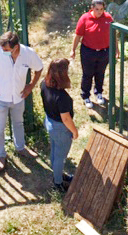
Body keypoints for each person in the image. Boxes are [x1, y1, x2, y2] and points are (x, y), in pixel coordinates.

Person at [0, 31, 43, 172]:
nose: (4, 52)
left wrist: (30, 86)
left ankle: (20, 148)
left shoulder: (28, 53)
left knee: (18, 123)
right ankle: (1, 156)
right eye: (3, 49)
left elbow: (39, 68)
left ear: (16, 47)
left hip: (18, 98)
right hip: (0, 98)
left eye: (7, 50)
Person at [70, 0, 119, 109]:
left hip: (104, 51)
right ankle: (86, 96)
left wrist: (116, 49)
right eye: (97, 9)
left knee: (100, 73)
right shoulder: (85, 18)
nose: (99, 12)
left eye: (101, 9)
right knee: (88, 74)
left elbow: (113, 34)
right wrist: (73, 49)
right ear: (92, 8)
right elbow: (78, 35)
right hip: (88, 51)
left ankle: (98, 93)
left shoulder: (108, 18)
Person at [40, 59, 79, 192]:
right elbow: (66, 119)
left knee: (55, 151)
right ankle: (58, 183)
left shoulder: (43, 84)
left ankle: (57, 174)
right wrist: (74, 131)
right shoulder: (62, 97)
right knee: (60, 157)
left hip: (49, 122)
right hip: (61, 129)